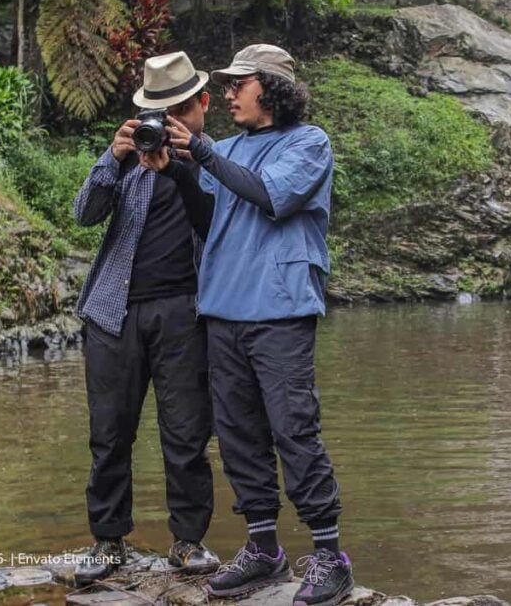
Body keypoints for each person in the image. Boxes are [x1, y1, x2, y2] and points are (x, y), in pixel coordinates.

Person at [147, 44, 352, 605]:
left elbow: (270, 195)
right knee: (237, 435)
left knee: (293, 429)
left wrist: (205, 155)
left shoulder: (309, 142)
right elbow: (208, 217)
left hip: (280, 307)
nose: (230, 92)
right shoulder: (228, 148)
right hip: (223, 308)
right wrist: (181, 173)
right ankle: (264, 549)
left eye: (241, 83)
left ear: (273, 88)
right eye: (230, 83)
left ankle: (331, 557)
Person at [71, 51, 219, 585]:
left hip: (187, 312)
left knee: (185, 434)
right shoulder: (130, 160)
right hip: (114, 312)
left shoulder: (218, 162)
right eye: (161, 113)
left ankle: (188, 541)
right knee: (109, 433)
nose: (171, 122)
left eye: (180, 109)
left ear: (202, 105)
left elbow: (216, 220)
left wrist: (182, 164)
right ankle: (108, 541)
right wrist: (112, 159)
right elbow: (83, 213)